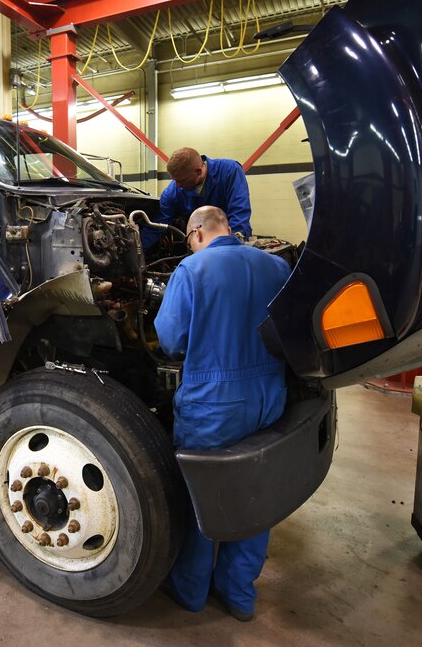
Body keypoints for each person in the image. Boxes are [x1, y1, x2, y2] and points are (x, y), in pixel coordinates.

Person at [153, 205, 290, 621]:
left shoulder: (192, 271)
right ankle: (238, 593)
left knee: (201, 499)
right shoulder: (276, 266)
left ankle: (191, 590)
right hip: (270, 397)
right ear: (227, 227)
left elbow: (170, 339)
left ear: (195, 233)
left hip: (214, 404)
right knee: (254, 495)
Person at [142, 147, 252, 249]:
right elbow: (157, 226)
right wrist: (139, 248)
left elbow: (239, 212)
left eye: (182, 180)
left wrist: (231, 246)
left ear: (199, 171)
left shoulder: (229, 171)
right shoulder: (172, 193)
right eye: (174, 180)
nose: (177, 185)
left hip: (230, 240)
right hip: (197, 246)